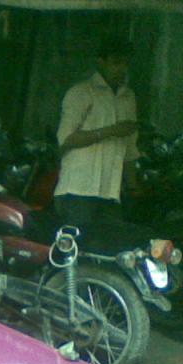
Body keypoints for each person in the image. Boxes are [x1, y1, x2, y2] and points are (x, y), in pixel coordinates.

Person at [54, 34, 141, 230]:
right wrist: (110, 131)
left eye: (125, 64)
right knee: (75, 249)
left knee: (108, 251)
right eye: (116, 63)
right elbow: (65, 140)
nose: (121, 69)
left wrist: (133, 186)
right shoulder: (81, 92)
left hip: (111, 192)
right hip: (78, 190)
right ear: (100, 62)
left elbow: (130, 149)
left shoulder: (128, 97)